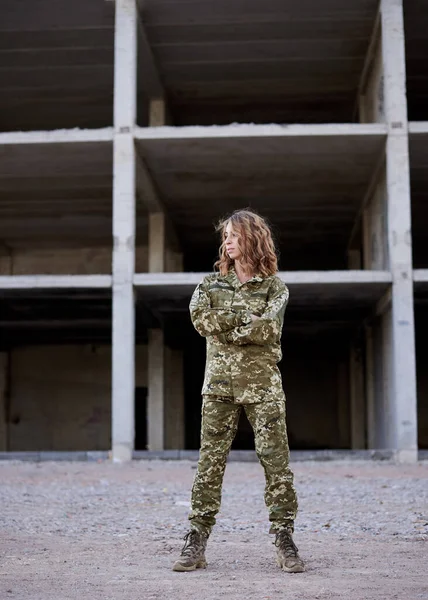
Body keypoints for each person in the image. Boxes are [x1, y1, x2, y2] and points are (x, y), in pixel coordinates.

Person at [172, 209, 305, 574]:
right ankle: (196, 541)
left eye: (233, 235)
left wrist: (228, 323)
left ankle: (285, 539)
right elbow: (201, 321)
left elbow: (267, 330)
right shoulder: (209, 284)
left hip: (264, 387)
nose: (227, 242)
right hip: (218, 388)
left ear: (251, 237)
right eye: (225, 236)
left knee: (277, 466)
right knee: (209, 466)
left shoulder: (275, 288)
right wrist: (246, 319)